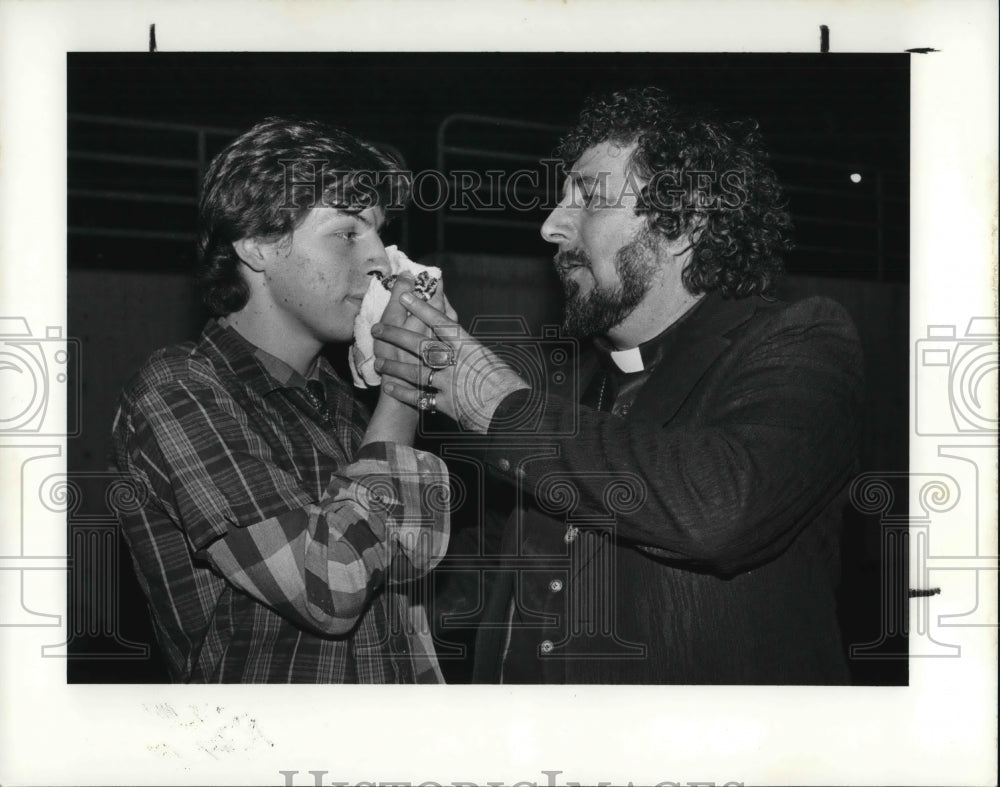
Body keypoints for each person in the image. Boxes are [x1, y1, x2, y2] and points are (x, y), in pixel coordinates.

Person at [373, 87, 864, 684]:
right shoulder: (577, 383)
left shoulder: (800, 339)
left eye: (587, 198)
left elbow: (722, 509)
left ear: (685, 221)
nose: (551, 226)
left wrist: (495, 401)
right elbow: (494, 570)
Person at [111, 117, 450, 683]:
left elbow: (416, 560)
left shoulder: (343, 402)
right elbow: (332, 588)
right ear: (258, 244)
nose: (381, 260)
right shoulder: (180, 390)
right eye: (348, 232)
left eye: (380, 232)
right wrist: (402, 385)